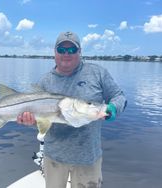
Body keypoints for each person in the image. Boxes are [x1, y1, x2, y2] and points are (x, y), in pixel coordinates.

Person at [17, 31, 127, 188]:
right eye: (61, 50)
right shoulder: (44, 81)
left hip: (88, 158)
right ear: (55, 52)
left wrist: (113, 107)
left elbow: (119, 96)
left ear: (80, 52)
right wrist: (30, 121)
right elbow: (42, 121)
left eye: (72, 50)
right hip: (54, 157)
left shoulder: (97, 73)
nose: (66, 54)